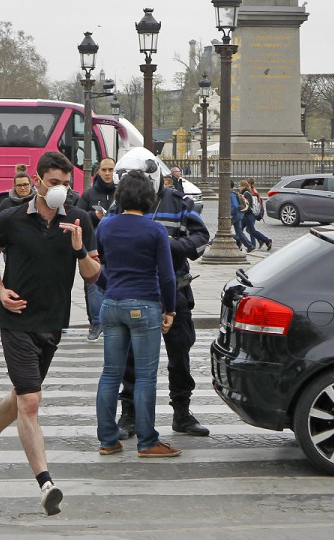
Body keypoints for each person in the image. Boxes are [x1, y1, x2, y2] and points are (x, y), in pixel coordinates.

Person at [0, 151, 100, 516]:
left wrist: (78, 249)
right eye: (53, 182)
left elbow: (93, 275)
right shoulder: (11, 218)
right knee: (30, 401)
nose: (60, 189)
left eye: (65, 183)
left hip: (53, 320)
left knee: (23, 393)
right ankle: (46, 484)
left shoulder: (79, 219)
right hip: (15, 319)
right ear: (38, 181)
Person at [112, 147, 212, 439]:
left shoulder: (180, 203)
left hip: (176, 291)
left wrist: (167, 244)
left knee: (179, 355)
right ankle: (128, 414)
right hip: (138, 292)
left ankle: (182, 412)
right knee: (130, 357)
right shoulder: (122, 205)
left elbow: (201, 240)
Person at [95, 170, 180, 458]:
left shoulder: (105, 226)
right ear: (148, 197)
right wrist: (170, 309)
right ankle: (147, 441)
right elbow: (167, 277)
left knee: (110, 374)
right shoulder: (155, 230)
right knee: (145, 377)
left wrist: (111, 291)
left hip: (111, 304)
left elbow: (102, 266)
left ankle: (108, 439)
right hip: (144, 303)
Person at [76, 156, 117, 342]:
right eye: (104, 170)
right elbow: (78, 216)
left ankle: (113, 322)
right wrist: (93, 216)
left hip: (116, 248)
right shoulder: (89, 194)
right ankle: (96, 322)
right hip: (94, 248)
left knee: (114, 286)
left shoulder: (121, 193)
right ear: (98, 171)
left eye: (111, 170)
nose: (108, 173)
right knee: (93, 287)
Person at [240, 178, 272, 251]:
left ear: (245, 185)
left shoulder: (249, 193)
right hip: (247, 215)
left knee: (251, 230)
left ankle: (265, 241)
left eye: (240, 186)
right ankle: (245, 245)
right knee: (241, 230)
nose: (239, 187)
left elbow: (248, 205)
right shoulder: (249, 192)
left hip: (249, 214)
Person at [231, 181, 253, 252]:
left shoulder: (231, 194)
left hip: (233, 216)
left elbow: (234, 206)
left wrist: (229, 213)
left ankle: (212, 241)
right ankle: (249, 245)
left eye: (240, 186)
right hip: (238, 215)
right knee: (239, 232)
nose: (239, 187)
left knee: (223, 230)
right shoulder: (234, 193)